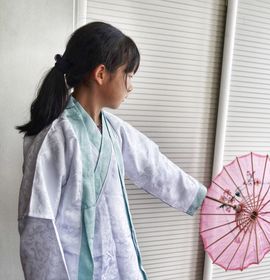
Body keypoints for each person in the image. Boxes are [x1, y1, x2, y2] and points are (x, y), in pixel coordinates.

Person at [16, 21, 207, 280]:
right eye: (128, 75)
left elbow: (155, 167)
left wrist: (211, 199)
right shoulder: (55, 139)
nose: (131, 86)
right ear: (101, 74)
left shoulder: (114, 130)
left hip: (119, 267)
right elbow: (39, 225)